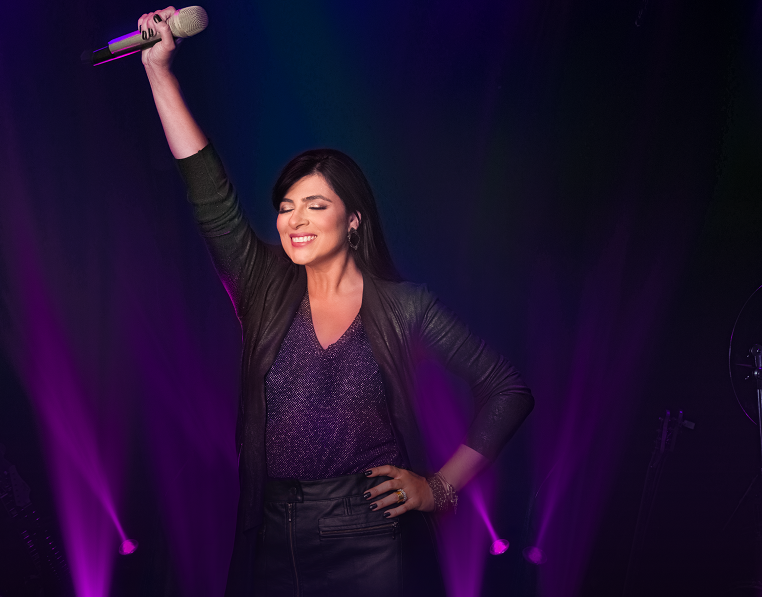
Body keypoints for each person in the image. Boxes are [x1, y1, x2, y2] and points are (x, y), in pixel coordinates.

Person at [137, 7, 534, 596]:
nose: (294, 220)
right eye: (286, 207)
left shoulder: (406, 307)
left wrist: (439, 487)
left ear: (353, 221)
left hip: (373, 533)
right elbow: (209, 194)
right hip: (273, 530)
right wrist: (160, 73)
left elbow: (508, 390)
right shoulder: (260, 284)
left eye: (314, 206)